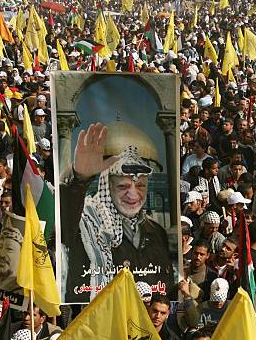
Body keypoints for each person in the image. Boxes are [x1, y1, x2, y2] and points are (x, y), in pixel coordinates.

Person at [60, 123, 173, 302]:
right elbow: (64, 225)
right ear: (107, 185)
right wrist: (79, 180)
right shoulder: (85, 223)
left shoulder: (156, 232)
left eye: (141, 185)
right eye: (123, 186)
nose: (133, 194)